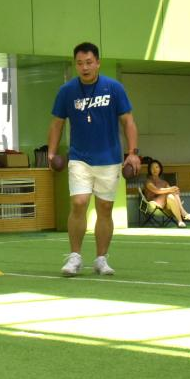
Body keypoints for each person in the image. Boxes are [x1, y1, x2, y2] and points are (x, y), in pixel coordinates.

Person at [48, 42, 141, 277]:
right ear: (75, 65)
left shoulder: (114, 88)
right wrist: (51, 152)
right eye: (80, 63)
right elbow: (57, 123)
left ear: (98, 63)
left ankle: (101, 259)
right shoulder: (66, 91)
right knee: (79, 203)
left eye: (89, 62)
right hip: (79, 157)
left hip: (109, 158)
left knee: (105, 208)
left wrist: (132, 152)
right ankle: (75, 257)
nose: (84, 67)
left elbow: (128, 121)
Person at [142, 159, 190, 227]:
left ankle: (180, 221)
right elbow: (156, 190)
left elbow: (174, 192)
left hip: (166, 205)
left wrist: (175, 190)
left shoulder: (164, 182)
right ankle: (183, 212)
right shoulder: (148, 181)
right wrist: (171, 189)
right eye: (152, 167)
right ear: (149, 170)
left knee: (170, 195)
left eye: (157, 167)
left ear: (160, 169)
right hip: (153, 204)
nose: (154, 169)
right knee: (170, 191)